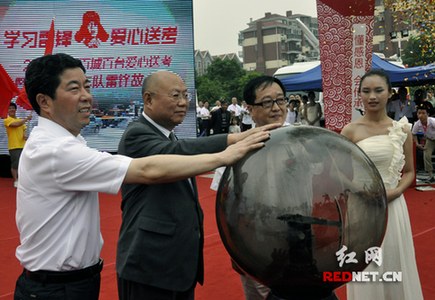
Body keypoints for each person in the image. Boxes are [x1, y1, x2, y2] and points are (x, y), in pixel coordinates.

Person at [14, 53, 272, 300]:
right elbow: (148, 169)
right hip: (62, 287)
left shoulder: (64, 144)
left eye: (87, 86)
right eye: (74, 89)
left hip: (77, 282)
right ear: (44, 101)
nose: (87, 97)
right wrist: (224, 154)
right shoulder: (56, 150)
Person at [115, 70, 279, 300]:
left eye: (185, 95)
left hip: (177, 268)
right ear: (149, 99)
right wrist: (231, 141)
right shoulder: (137, 134)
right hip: (149, 267)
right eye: (175, 96)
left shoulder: (167, 135)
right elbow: (176, 153)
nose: (183, 103)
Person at [341, 69, 423, 300]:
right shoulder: (350, 130)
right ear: (360, 96)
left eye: (378, 90)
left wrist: (395, 191)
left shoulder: (402, 129)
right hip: (362, 206)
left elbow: (409, 171)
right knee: (366, 265)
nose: (372, 96)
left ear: (390, 94)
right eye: (366, 91)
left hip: (393, 204)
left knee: (393, 260)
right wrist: (360, 190)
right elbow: (336, 171)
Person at [210, 75, 289, 300]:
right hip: (256, 241)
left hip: (296, 238)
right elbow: (225, 205)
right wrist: (236, 251)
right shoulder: (237, 148)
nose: (276, 108)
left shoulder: (303, 140)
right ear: (250, 110)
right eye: (267, 102)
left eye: (280, 100)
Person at [3, 102, 32, 187]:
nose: (12, 110)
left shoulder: (20, 120)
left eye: (13, 108)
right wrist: (26, 119)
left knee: (24, 164)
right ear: (7, 111)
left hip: (23, 145)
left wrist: (24, 135)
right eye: (10, 108)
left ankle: (23, 180)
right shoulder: (7, 120)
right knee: (15, 164)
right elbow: (16, 124)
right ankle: (16, 180)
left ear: (16, 109)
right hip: (14, 145)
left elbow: (24, 128)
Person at [412, 103, 435, 183]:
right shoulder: (417, 123)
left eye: (423, 113)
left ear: (427, 114)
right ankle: (431, 175)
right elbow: (413, 134)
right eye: (419, 113)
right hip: (430, 139)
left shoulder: (432, 121)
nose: (421, 115)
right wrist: (417, 144)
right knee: (426, 155)